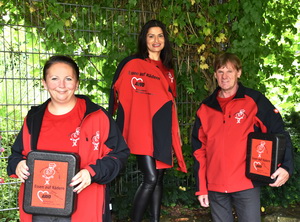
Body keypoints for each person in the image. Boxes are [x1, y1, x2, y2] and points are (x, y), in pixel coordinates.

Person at [7, 55, 130, 222]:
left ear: (77, 83)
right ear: (44, 83)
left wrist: (91, 173)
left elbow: (119, 154)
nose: (62, 85)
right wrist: (18, 165)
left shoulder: (97, 116)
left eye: (68, 78)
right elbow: (16, 155)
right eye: (54, 78)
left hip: (84, 207)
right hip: (39, 207)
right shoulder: (33, 119)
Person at [192, 52, 293, 222]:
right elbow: (199, 151)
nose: (225, 76)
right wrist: (202, 187)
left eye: (230, 71)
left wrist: (286, 166)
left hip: (246, 183)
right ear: (215, 75)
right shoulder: (205, 108)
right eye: (220, 71)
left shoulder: (254, 100)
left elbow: (278, 132)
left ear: (238, 73)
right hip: (215, 186)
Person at [108, 20, 187, 222]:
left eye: (160, 35)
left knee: (159, 177)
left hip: (160, 130)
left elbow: (170, 102)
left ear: (165, 40)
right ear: (144, 39)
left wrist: (173, 133)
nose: (156, 40)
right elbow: (118, 92)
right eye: (151, 36)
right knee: (150, 177)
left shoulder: (168, 69)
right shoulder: (132, 64)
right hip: (141, 130)